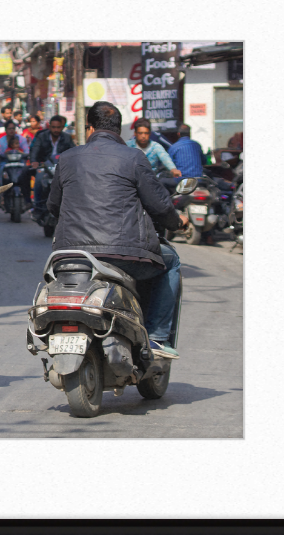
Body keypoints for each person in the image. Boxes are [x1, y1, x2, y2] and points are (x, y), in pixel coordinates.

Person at [47, 101, 189, 357]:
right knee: (171, 261)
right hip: (124, 257)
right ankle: (156, 337)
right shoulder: (134, 157)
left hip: (69, 257)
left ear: (89, 128)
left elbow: (53, 205)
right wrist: (177, 223)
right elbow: (159, 205)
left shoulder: (67, 158)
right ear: (121, 131)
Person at [29, 115, 74, 216]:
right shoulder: (42, 136)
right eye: (53, 127)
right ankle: (37, 206)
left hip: (61, 168)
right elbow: (35, 150)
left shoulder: (67, 138)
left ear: (62, 127)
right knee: (38, 181)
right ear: (49, 127)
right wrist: (34, 161)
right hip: (45, 167)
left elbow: (73, 151)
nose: (56, 130)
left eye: (58, 127)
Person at [160, 124, 207, 192]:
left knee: (161, 181)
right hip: (198, 180)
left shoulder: (174, 147)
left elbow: (169, 164)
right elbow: (204, 161)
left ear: (178, 134)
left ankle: (166, 202)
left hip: (181, 181)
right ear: (189, 134)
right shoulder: (196, 145)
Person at [0, 120, 30, 194]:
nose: (11, 130)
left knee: (26, 173)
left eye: (13, 128)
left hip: (20, 163)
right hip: (5, 164)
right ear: (6, 130)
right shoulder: (1, 141)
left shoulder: (21, 139)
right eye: (9, 129)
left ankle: (27, 198)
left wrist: (23, 153)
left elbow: (27, 151)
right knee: (1, 172)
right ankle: (2, 194)